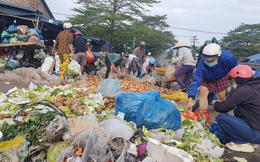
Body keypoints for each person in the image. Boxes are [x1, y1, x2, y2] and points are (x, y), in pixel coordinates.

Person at [185, 43, 238, 125]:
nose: (208, 62)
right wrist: (190, 99)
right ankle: (203, 118)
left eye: (211, 60)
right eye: (207, 60)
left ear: (218, 56)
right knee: (203, 94)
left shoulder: (228, 58)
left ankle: (218, 119)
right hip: (207, 77)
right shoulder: (202, 64)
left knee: (220, 97)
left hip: (222, 76)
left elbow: (235, 68)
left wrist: (234, 81)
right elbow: (196, 81)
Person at [211, 65, 260, 153]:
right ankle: (251, 141)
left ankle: (241, 142)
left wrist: (216, 103)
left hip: (256, 134)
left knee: (221, 117)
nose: (232, 84)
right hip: (257, 132)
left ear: (239, 79)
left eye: (233, 81)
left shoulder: (243, 91)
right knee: (237, 110)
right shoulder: (255, 87)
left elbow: (223, 107)